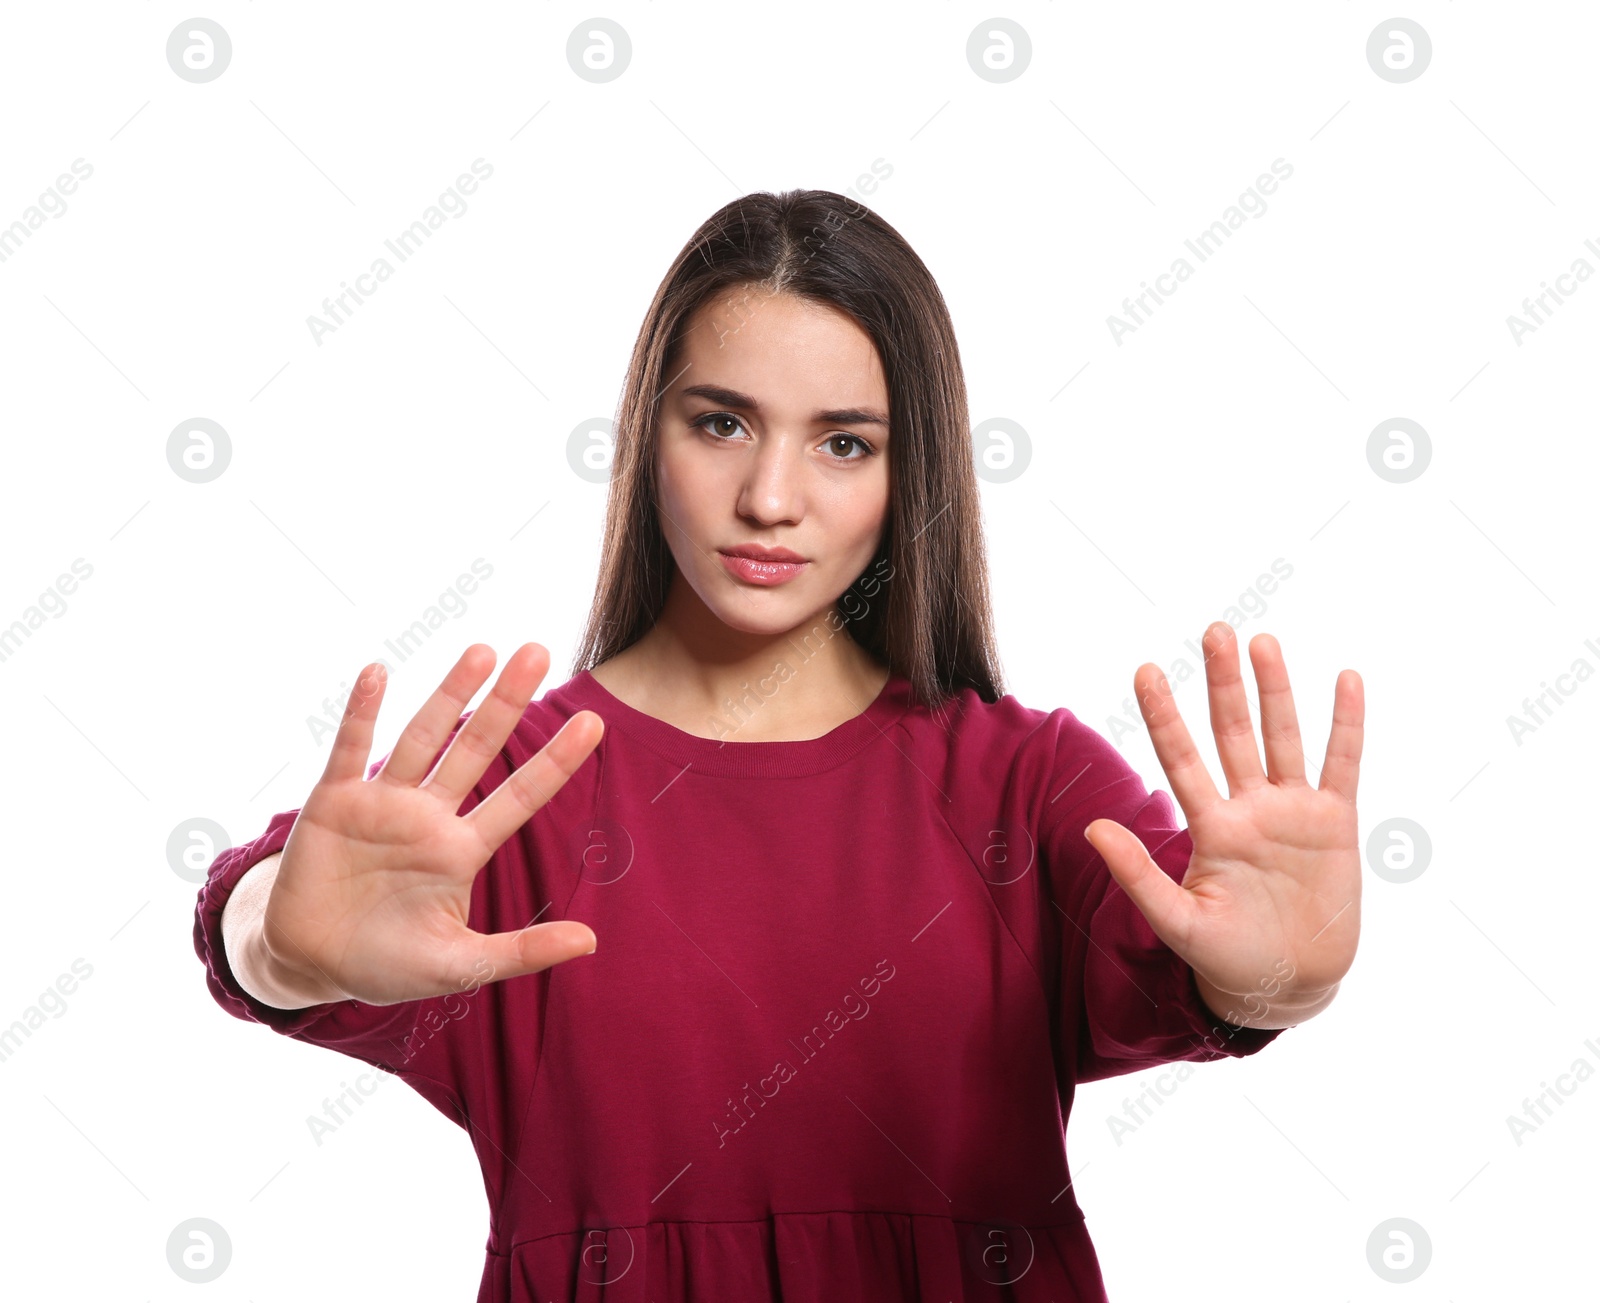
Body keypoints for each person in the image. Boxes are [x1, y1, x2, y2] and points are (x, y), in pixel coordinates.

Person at [193, 189, 1364, 1302]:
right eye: (721, 423)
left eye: (843, 443)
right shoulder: (511, 790)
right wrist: (278, 952)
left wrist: (1278, 978)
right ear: (647, 433)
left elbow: (1207, 969)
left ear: (918, 472)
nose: (767, 497)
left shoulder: (1025, 786)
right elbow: (279, 919)